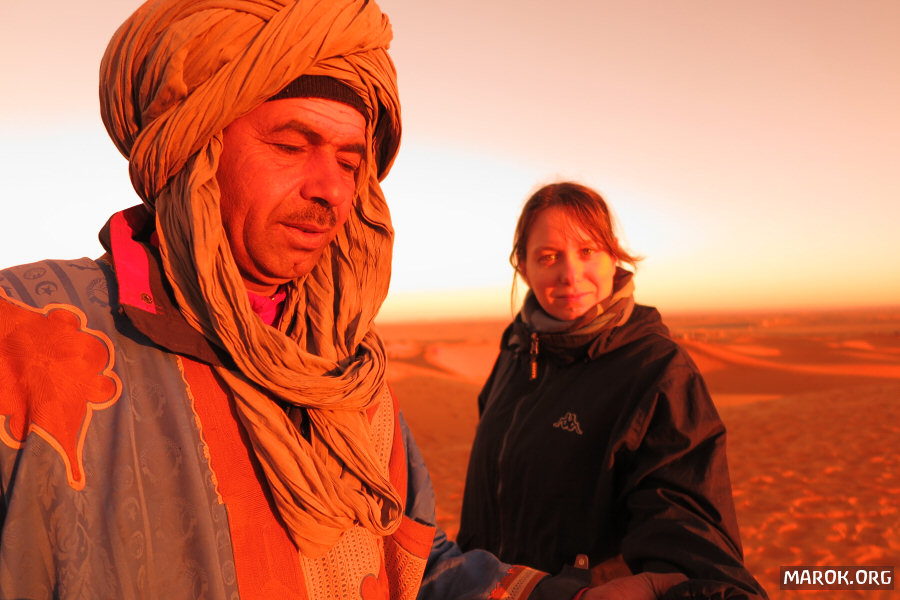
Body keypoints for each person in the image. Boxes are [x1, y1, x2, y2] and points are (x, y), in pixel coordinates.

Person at [0, 2, 595, 598]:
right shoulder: (25, 335)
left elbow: (409, 562)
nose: (332, 189)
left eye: (350, 161)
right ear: (195, 150)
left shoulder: (348, 374)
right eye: (289, 146)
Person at [456, 182, 768, 599]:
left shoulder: (658, 370)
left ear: (613, 258)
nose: (571, 275)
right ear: (524, 267)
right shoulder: (516, 351)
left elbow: (686, 526)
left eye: (587, 251)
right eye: (549, 257)